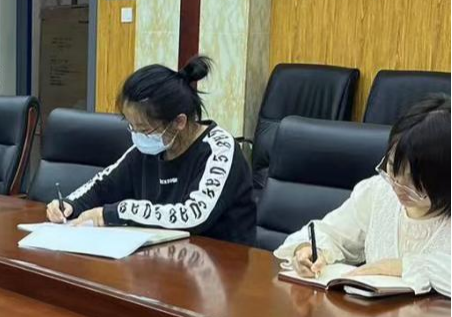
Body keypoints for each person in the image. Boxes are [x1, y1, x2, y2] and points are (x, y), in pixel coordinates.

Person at [45, 56, 256, 244]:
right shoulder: (148, 149)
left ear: (179, 122)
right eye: (131, 126)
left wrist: (117, 212)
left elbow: (194, 216)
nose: (137, 135)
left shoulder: (219, 149)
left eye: (144, 129)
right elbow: (103, 185)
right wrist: (71, 204)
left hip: (223, 264)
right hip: (164, 259)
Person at [275, 95, 451, 298]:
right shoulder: (379, 191)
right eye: (392, 167)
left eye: (414, 181)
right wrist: (309, 250)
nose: (398, 186)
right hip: (371, 316)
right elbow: (331, 232)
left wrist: (402, 267)